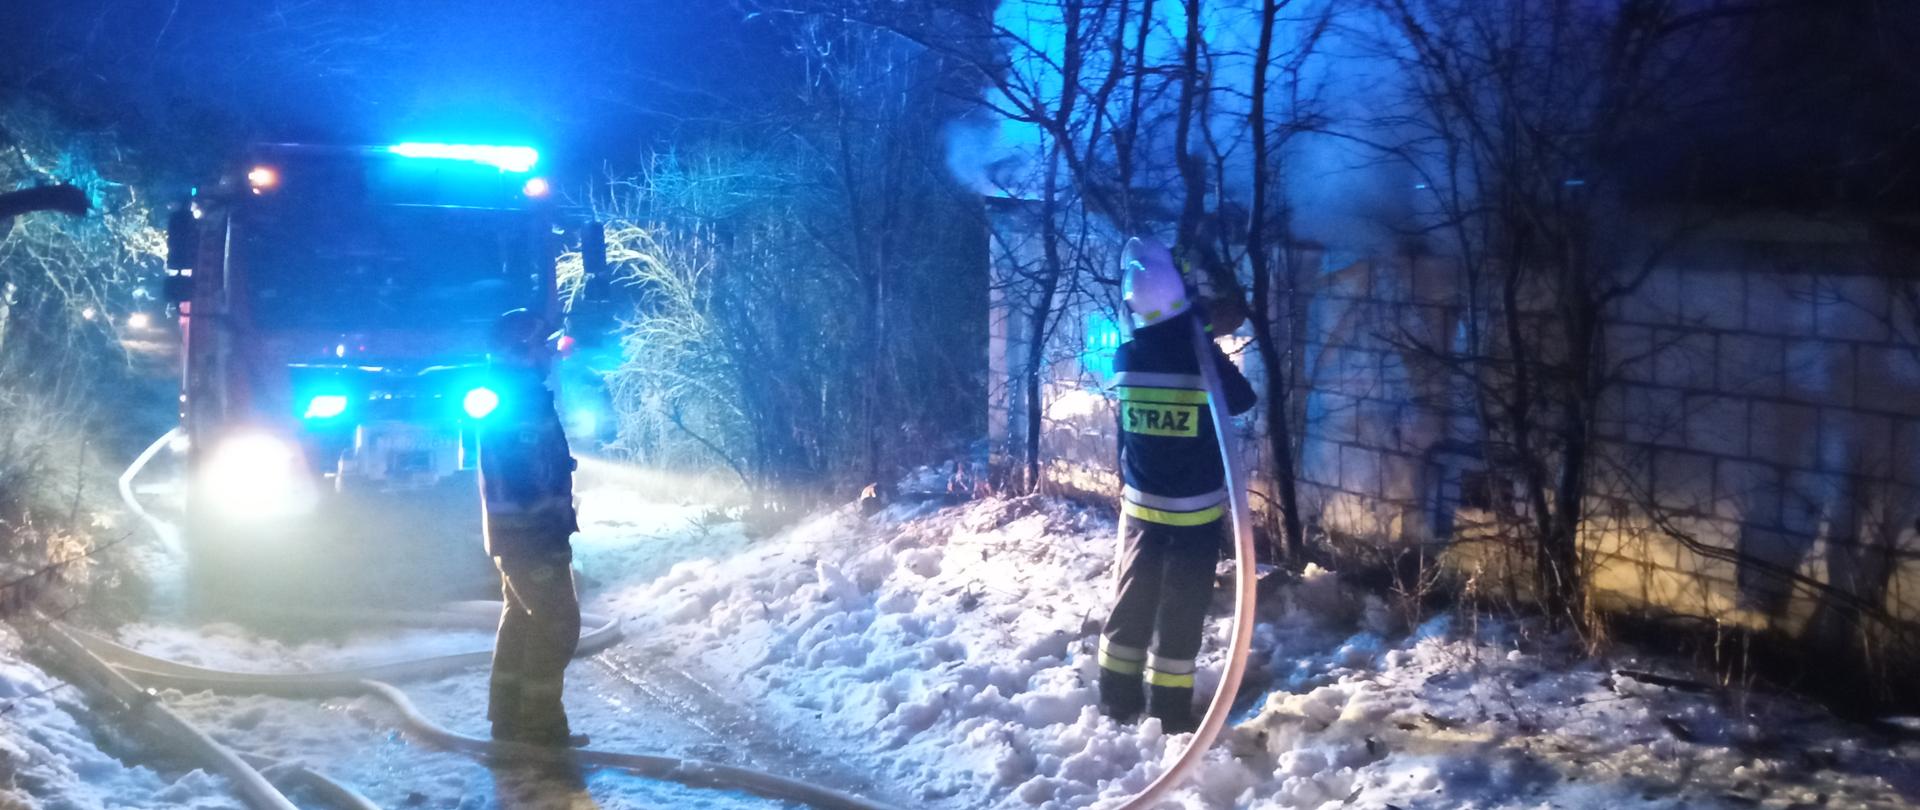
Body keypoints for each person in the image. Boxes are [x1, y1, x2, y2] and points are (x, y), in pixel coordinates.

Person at [1097, 237, 1257, 734]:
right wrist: (1202, 333)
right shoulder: (1197, 360)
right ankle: (1167, 712)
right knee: (1182, 610)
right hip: (1193, 513)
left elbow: (1157, 342)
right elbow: (1242, 399)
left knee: (1132, 600)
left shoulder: (1125, 358)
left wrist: (1191, 325)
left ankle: (1116, 698)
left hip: (1142, 508)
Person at [479, 308, 586, 747]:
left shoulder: (520, 395)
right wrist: (548, 525)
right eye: (543, 345)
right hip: (531, 536)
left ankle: (508, 718)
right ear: (521, 351)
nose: (550, 353)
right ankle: (540, 726)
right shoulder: (518, 401)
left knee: (522, 620)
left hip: (521, 535)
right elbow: (524, 480)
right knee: (558, 623)